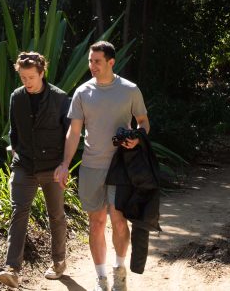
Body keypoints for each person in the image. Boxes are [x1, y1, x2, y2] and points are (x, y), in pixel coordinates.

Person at [55, 41, 150, 291]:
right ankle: (101, 279)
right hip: (91, 167)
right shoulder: (82, 92)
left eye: (97, 61)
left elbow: (143, 122)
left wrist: (136, 137)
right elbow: (73, 133)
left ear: (111, 62)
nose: (92, 66)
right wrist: (65, 163)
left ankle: (119, 272)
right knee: (96, 222)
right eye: (89, 61)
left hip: (121, 166)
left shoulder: (130, 90)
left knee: (119, 221)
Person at [0, 52, 71, 289]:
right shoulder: (16, 97)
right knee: (19, 211)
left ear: (42, 73)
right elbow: (14, 132)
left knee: (56, 216)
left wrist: (64, 165)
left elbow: (70, 134)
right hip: (24, 165)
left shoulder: (60, 98)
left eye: (30, 77)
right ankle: (12, 269)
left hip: (53, 167)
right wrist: (16, 152)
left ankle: (59, 261)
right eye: (22, 77)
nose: (26, 82)